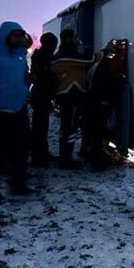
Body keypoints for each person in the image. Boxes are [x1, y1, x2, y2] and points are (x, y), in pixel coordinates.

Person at [0, 22, 33, 194]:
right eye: (15, 35)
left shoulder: (21, 55)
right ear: (6, 36)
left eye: (20, 35)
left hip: (19, 108)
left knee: (21, 148)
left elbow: (23, 76)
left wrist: (25, 88)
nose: (18, 38)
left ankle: (18, 183)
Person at [82, 40, 128, 170]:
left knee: (91, 129)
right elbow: (117, 74)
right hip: (102, 100)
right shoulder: (112, 61)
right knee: (98, 130)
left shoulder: (97, 63)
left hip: (92, 99)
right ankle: (98, 162)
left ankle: (88, 154)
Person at [51, 29, 88, 170]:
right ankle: (65, 160)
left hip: (67, 96)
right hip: (70, 97)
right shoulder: (67, 55)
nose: (76, 40)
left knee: (67, 127)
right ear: (68, 39)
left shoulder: (62, 53)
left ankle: (65, 158)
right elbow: (88, 60)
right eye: (74, 37)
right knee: (69, 128)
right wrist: (104, 51)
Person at [29, 32, 59, 167]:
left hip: (39, 95)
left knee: (40, 126)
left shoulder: (38, 56)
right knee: (40, 127)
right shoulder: (46, 58)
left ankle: (41, 153)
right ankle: (39, 156)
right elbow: (45, 78)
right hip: (42, 95)